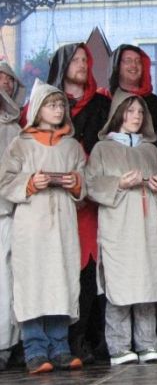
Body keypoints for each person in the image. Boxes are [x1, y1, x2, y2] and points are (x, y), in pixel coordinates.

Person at [0, 80, 86, 374]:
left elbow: (84, 180)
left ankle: (60, 347)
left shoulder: (71, 146)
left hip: (62, 224)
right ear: (37, 109)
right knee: (33, 283)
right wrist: (29, 182)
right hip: (31, 224)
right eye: (51, 105)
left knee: (60, 281)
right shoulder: (21, 144)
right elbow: (4, 181)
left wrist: (75, 183)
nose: (58, 109)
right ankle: (35, 350)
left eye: (61, 105)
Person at [85, 91, 157, 366]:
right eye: (131, 111)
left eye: (141, 112)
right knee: (119, 283)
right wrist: (119, 183)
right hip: (118, 225)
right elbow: (90, 184)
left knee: (147, 280)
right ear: (118, 113)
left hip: (148, 225)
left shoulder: (150, 150)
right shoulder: (103, 149)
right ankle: (119, 346)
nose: (136, 116)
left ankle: (147, 343)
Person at [46, 42, 111, 363]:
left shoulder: (103, 104)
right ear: (62, 66)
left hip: (90, 203)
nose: (83, 64)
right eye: (76, 60)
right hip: (51, 202)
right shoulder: (46, 104)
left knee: (89, 271)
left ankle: (83, 338)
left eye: (86, 59)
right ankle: (51, 343)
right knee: (57, 269)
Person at [0, 63, 24, 371]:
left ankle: (6, 344)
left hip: (7, 212)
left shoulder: (15, 132)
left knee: (6, 281)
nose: (4, 84)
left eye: (9, 80)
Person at [106, 45, 157, 131]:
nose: (134, 65)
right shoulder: (105, 102)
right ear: (116, 66)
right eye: (128, 61)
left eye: (138, 61)